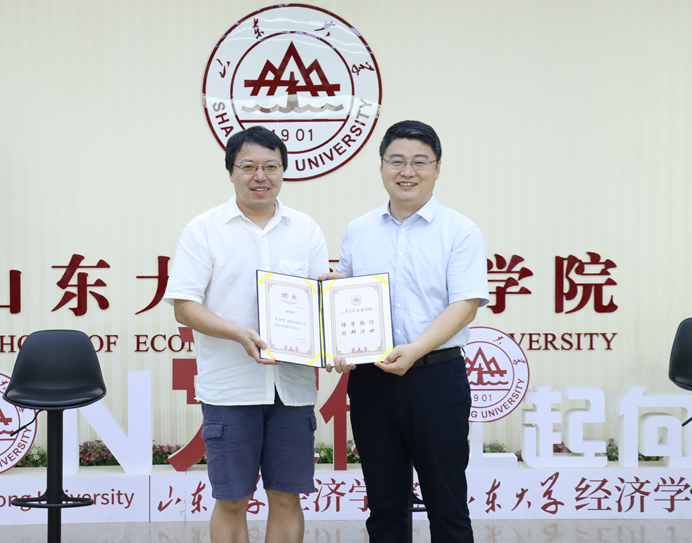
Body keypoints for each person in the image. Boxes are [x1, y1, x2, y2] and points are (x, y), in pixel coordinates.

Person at [324, 120, 488, 543]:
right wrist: (333, 330)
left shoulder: (460, 231)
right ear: (381, 167)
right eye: (396, 161)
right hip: (371, 381)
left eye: (419, 162)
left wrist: (414, 349)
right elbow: (346, 298)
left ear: (437, 168)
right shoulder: (360, 230)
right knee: (384, 506)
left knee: (448, 505)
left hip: (436, 379)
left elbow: (465, 305)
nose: (407, 172)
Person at [164, 126, 328, 543]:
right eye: (249, 166)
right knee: (233, 499)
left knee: (287, 498)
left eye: (271, 167)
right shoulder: (204, 229)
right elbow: (184, 305)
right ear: (231, 172)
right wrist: (238, 333)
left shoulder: (305, 229)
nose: (261, 176)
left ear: (283, 171)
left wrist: (336, 330)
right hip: (230, 390)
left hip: (292, 389)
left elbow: (319, 304)